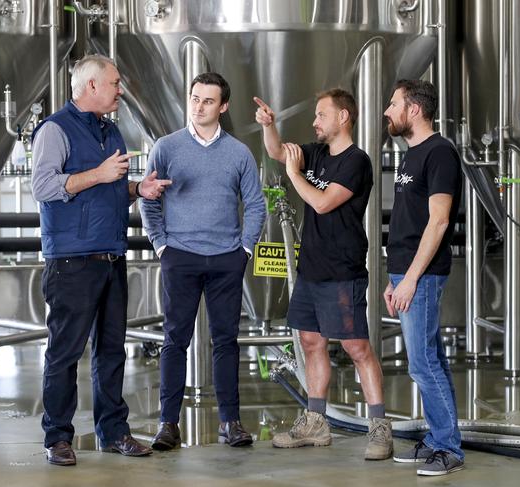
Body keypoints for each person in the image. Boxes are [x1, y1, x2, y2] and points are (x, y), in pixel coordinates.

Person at [31, 54, 171, 466]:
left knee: (111, 350)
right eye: (114, 83)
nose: (120, 90)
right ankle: (57, 437)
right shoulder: (55, 129)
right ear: (90, 86)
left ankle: (114, 431)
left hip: (111, 256)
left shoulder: (110, 132)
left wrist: (135, 190)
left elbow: (108, 185)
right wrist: (101, 175)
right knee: (65, 352)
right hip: (72, 261)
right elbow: (43, 186)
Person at [254, 89, 393, 460]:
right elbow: (277, 151)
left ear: (343, 117)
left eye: (321, 115)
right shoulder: (313, 153)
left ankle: (379, 427)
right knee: (312, 343)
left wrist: (294, 174)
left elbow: (322, 201)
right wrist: (270, 126)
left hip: (341, 269)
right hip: (311, 269)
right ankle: (316, 422)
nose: (314, 122)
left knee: (356, 346)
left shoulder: (357, 161)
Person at [140, 72, 266, 450]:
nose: (199, 106)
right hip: (180, 256)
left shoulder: (239, 153)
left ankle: (230, 422)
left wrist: (244, 249)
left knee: (226, 341)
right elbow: (149, 198)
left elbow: (256, 204)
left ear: (223, 107)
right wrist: (162, 246)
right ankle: (168, 424)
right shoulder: (166, 147)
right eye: (194, 98)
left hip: (227, 258)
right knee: (174, 340)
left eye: (208, 101)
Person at [383, 79, 464, 476]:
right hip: (407, 270)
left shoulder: (439, 154)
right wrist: (394, 276)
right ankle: (436, 439)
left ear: (414, 109)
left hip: (424, 273)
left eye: (393, 104)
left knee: (421, 364)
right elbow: (407, 222)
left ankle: (448, 448)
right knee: (432, 359)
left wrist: (412, 278)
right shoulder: (409, 154)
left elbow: (438, 221)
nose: (387, 111)